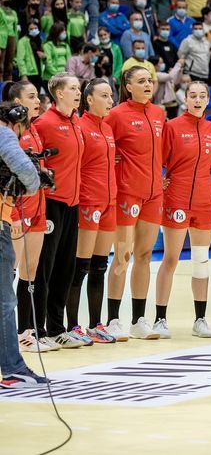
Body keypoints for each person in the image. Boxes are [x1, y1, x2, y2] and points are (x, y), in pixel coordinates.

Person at [105, 66, 166, 341]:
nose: (147, 84)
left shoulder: (158, 113)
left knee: (144, 256)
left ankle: (139, 320)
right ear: (128, 86)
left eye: (149, 80)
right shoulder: (116, 114)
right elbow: (103, 147)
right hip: (126, 195)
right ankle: (112, 320)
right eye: (141, 81)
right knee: (122, 256)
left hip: (153, 195)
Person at [154, 82, 211, 338]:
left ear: (208, 99)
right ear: (185, 99)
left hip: (204, 200)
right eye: (193, 96)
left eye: (203, 96)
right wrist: (160, 180)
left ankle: (200, 319)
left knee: (201, 261)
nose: (198, 100)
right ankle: (159, 319)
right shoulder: (173, 127)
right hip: (177, 198)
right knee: (170, 259)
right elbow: (157, 159)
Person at [34, 74, 86, 348]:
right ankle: (36, 330)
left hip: (73, 203)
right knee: (45, 266)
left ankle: (56, 327)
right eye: (73, 88)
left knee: (66, 267)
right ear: (58, 93)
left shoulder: (77, 121)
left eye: (79, 88)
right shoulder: (44, 123)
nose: (78, 92)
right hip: (51, 203)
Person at [0, 100, 50, 386]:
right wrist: (32, 182)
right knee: (5, 302)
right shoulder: (5, 132)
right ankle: (12, 368)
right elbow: (28, 175)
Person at [67, 79, 118, 344]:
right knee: (80, 267)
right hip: (88, 203)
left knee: (100, 266)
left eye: (111, 96)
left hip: (110, 203)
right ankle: (73, 325)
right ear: (89, 99)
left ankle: (96, 324)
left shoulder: (108, 128)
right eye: (104, 95)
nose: (110, 100)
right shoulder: (81, 127)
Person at [14, 22, 44, 92]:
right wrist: (24, 75)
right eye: (31, 29)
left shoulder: (40, 40)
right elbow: (20, 59)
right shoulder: (22, 41)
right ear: (27, 30)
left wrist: (44, 57)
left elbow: (43, 58)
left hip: (39, 73)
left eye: (35, 28)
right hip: (29, 74)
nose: (34, 30)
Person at [0, 0, 18, 82]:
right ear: (1, 0)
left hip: (12, 37)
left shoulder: (13, 12)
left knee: (9, 66)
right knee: (0, 65)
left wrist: (16, 42)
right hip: (1, 39)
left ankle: (8, 86)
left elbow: (15, 28)